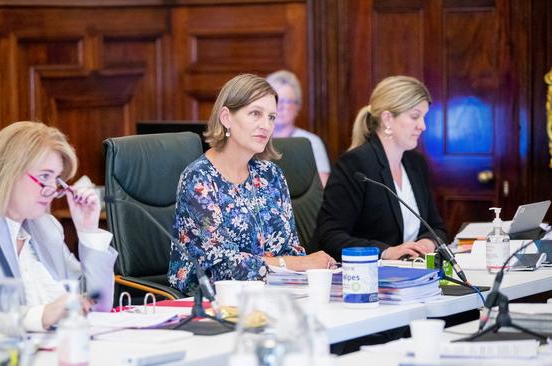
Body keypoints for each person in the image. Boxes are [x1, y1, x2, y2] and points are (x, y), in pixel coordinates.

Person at [0, 121, 117, 334]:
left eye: (57, 179)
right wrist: (40, 316)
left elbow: (96, 304)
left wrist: (88, 231)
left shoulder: (46, 228)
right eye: (44, 177)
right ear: (8, 172)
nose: (52, 189)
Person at [168, 74, 336, 295]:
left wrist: (309, 267)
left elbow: (291, 249)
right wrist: (295, 264)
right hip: (211, 304)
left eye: (271, 117)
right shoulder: (199, 179)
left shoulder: (271, 175)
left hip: (276, 294)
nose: (265, 125)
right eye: (255, 114)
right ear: (226, 117)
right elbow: (224, 267)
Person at [312, 75, 448, 262]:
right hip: (367, 277)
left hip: (413, 274)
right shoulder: (355, 164)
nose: (422, 126)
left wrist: (427, 243)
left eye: (424, 117)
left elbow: (436, 226)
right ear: (387, 119)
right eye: (415, 116)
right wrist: (385, 252)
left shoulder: (416, 163)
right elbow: (329, 237)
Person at [266, 70, 331, 186]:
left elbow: (323, 188)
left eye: (286, 101)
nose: (280, 106)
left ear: (297, 106)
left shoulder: (311, 142)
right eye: (276, 100)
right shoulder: (256, 140)